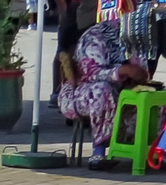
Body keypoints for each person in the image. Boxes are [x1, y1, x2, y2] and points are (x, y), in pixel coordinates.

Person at [58, 18, 150, 168]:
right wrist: (121, 71)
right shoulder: (95, 36)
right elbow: (91, 74)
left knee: (154, 97)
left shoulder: (135, 37)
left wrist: (140, 73)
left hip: (121, 92)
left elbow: (142, 69)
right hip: (79, 92)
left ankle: (155, 151)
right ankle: (98, 153)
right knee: (101, 91)